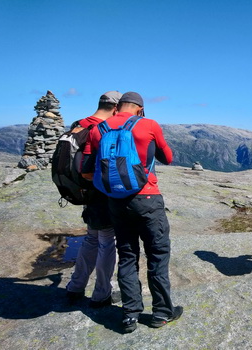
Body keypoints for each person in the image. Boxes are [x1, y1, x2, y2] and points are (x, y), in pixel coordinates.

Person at [83, 92, 182, 333]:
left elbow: (88, 168)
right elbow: (168, 158)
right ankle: (161, 313)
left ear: (118, 107)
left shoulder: (99, 130)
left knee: (127, 255)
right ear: (140, 108)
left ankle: (130, 314)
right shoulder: (148, 125)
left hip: (116, 201)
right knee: (157, 254)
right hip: (148, 198)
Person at [66, 91, 122, 308]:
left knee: (91, 239)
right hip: (102, 193)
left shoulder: (79, 124)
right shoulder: (104, 129)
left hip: (86, 193)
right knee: (108, 242)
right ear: (116, 108)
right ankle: (101, 294)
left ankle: (75, 287)